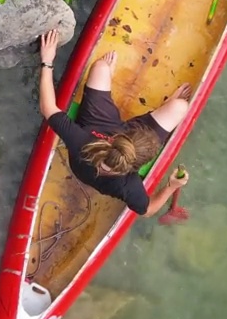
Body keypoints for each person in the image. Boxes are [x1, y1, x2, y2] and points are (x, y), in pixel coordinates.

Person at [37, 29, 191, 217]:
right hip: (105, 131)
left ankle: (111, 77)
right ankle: (163, 109)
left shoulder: (83, 144)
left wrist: (47, 60)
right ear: (137, 165)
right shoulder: (128, 186)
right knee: (181, 106)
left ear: (116, 139)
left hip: (97, 126)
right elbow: (147, 210)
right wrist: (171, 186)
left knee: (101, 67)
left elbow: (48, 108)